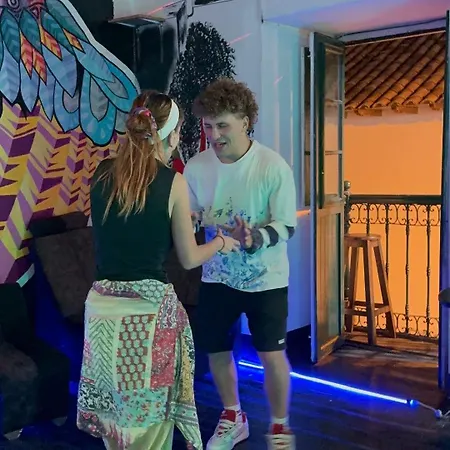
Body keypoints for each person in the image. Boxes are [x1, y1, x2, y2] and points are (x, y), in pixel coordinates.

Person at [76, 90, 240, 450]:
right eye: (179, 130)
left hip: (102, 315)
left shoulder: (101, 173)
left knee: (117, 425)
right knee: (150, 426)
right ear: (171, 135)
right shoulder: (173, 182)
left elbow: (119, 227)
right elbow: (189, 258)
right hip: (147, 321)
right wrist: (220, 242)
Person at [183, 78, 297, 450]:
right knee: (217, 350)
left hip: (267, 280)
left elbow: (286, 225)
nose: (214, 135)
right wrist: (191, 220)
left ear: (245, 122)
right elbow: (190, 216)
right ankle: (233, 417)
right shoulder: (196, 167)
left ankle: (279, 428)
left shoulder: (272, 166)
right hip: (216, 276)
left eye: (223, 125)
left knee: (271, 354)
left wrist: (254, 238)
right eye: (208, 126)